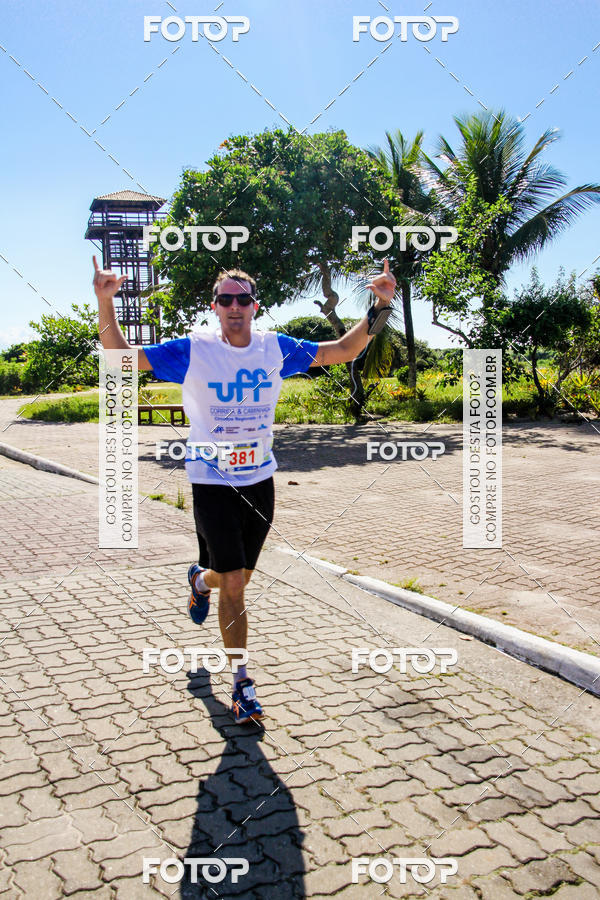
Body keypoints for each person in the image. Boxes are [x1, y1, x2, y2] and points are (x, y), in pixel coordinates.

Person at [93, 257, 396, 723]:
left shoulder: (275, 348)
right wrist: (105, 301)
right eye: (225, 299)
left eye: (243, 299)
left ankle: (199, 580)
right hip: (211, 481)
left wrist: (380, 305)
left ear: (256, 306)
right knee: (234, 582)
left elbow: (343, 350)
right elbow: (122, 357)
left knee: (236, 578)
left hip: (260, 481)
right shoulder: (194, 349)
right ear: (214, 306)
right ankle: (242, 684)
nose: (234, 306)